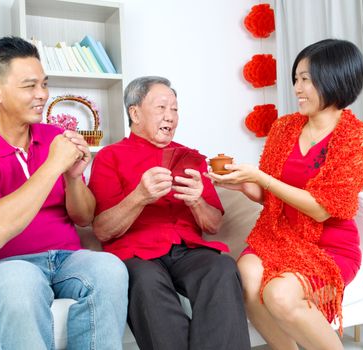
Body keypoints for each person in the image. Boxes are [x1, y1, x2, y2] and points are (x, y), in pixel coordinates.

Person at [0, 36, 128, 350]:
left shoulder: (55, 137)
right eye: (29, 86)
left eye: (44, 84)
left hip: (66, 259)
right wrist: (52, 166)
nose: (42, 95)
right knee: (20, 285)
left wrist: (73, 178)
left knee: (110, 269)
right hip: (8, 265)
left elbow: (84, 217)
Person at [207, 39, 363, 350]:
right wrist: (241, 183)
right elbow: (267, 194)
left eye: (306, 79)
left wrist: (262, 179)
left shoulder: (358, 137)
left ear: (335, 78)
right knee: (246, 278)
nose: (297, 88)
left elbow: (322, 209)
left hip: (330, 247)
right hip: (279, 236)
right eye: (296, 78)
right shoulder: (284, 128)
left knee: (280, 295)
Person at [88, 76, 251, 350]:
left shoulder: (192, 157)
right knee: (145, 282)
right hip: (136, 254)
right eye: (162, 108)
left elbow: (212, 226)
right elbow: (102, 229)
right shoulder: (109, 157)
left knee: (222, 268)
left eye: (174, 109)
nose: (170, 116)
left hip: (188, 250)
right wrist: (139, 196)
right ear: (135, 112)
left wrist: (197, 201)